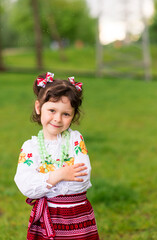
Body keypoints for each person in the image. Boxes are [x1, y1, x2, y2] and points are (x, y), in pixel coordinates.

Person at [14, 72, 99, 240]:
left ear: (73, 115)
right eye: (52, 110)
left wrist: (45, 180)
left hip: (77, 213)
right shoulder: (30, 147)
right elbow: (26, 186)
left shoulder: (75, 139)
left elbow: (81, 179)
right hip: (48, 216)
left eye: (66, 114)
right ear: (39, 108)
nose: (58, 119)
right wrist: (59, 175)